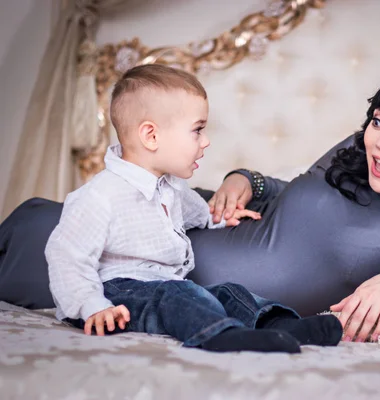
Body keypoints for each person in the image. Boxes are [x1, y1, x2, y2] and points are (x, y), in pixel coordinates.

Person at [0, 69, 380, 343]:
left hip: (157, 287)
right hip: (160, 232)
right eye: (378, 121)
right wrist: (248, 181)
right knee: (39, 223)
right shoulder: (358, 151)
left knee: (26, 255)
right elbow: (299, 196)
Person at [43, 64, 342, 353]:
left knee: (225, 291)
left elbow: (200, 214)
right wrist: (92, 306)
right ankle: (223, 337)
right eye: (197, 130)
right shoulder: (100, 195)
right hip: (115, 296)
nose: (206, 141)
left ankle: (280, 323)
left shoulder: (172, 187)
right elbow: (66, 257)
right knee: (178, 294)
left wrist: (223, 218)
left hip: (165, 286)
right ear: (151, 136)